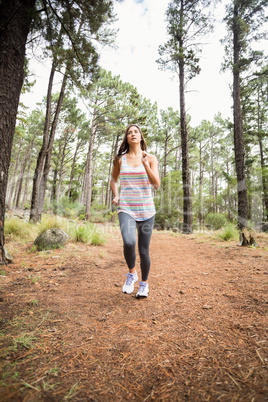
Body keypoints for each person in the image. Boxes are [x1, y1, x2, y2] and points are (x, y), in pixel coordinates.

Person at [110, 124, 160, 298]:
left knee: (144, 250)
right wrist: (116, 195)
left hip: (146, 209)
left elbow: (156, 185)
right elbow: (113, 181)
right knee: (129, 242)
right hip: (126, 208)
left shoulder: (151, 158)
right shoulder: (120, 159)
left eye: (135, 132)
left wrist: (145, 164)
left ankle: (144, 284)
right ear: (127, 138)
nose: (132, 134)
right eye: (129, 132)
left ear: (141, 137)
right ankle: (132, 273)